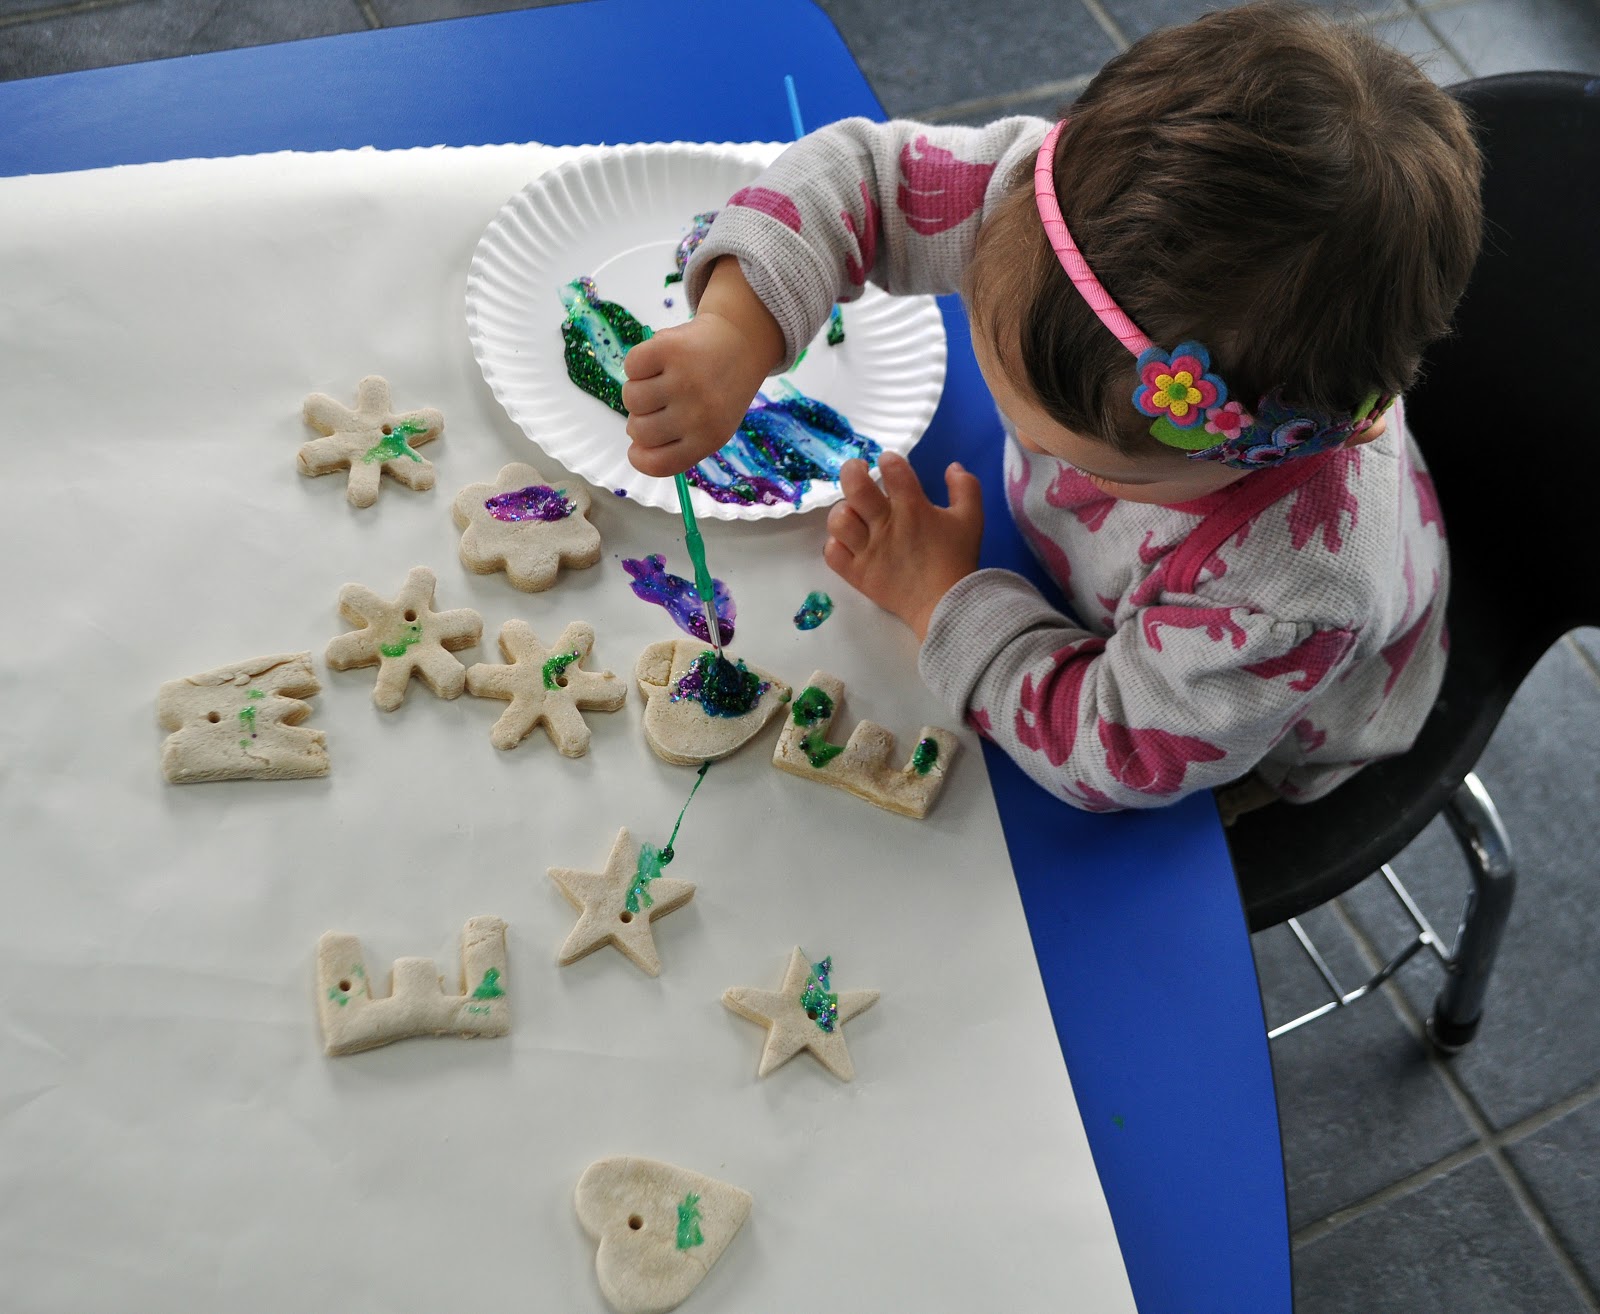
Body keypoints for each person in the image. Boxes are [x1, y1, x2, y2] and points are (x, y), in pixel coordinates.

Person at [618, 2, 1483, 814]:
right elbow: (862, 176)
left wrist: (942, 600)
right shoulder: (1054, 212)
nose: (1031, 442)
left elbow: (1117, 751)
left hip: (1244, 719)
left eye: (1079, 460)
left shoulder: (1283, 598)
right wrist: (739, 329)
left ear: (1235, 447)